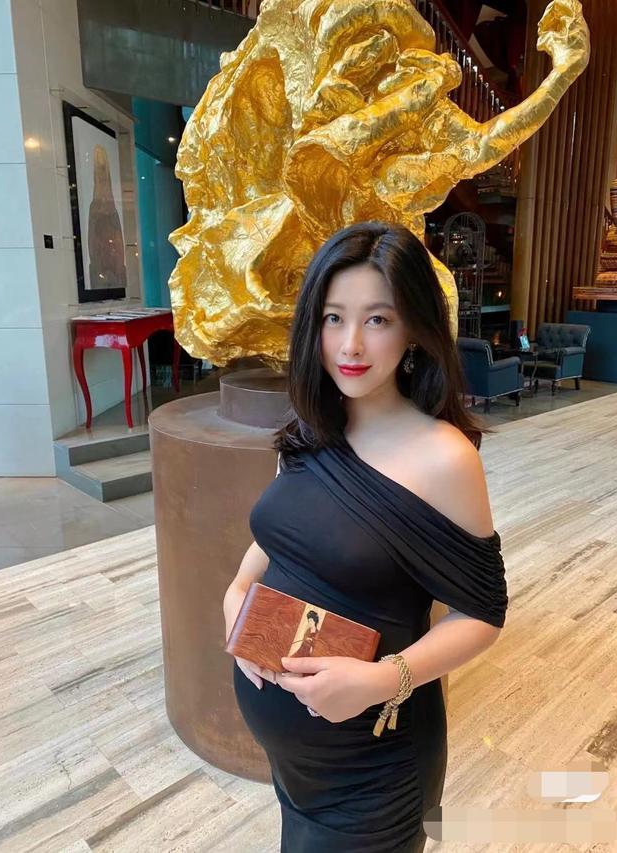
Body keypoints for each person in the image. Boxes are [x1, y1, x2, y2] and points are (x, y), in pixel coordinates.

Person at [222, 221, 509, 853]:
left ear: (413, 330)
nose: (350, 344)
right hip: (298, 771)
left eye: (378, 319)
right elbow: (276, 542)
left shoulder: (444, 457)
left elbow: (483, 614)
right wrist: (237, 594)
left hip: (375, 770)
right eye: (333, 318)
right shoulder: (310, 428)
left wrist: (382, 680)